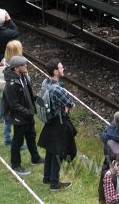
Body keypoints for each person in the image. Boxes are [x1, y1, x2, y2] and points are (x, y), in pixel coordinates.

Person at [1, 55, 43, 175]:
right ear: (16, 68)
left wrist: (35, 99)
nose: (26, 66)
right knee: (17, 141)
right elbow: (14, 105)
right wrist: (28, 112)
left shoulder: (23, 77)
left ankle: (35, 158)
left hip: (27, 115)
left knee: (31, 136)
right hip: (20, 117)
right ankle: (15, 165)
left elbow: (26, 94)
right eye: (23, 65)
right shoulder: (11, 84)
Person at [38, 61, 75, 191]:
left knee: (50, 150)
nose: (63, 68)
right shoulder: (58, 89)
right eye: (61, 67)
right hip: (59, 123)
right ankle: (55, 183)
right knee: (58, 153)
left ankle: (46, 177)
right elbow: (71, 104)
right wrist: (66, 107)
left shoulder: (45, 83)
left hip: (49, 122)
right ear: (55, 71)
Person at [0, 40, 23, 146]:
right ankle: (17, 141)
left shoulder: (4, 60)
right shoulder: (17, 64)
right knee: (18, 118)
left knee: (7, 118)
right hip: (15, 95)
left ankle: (7, 139)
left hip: (4, 93)